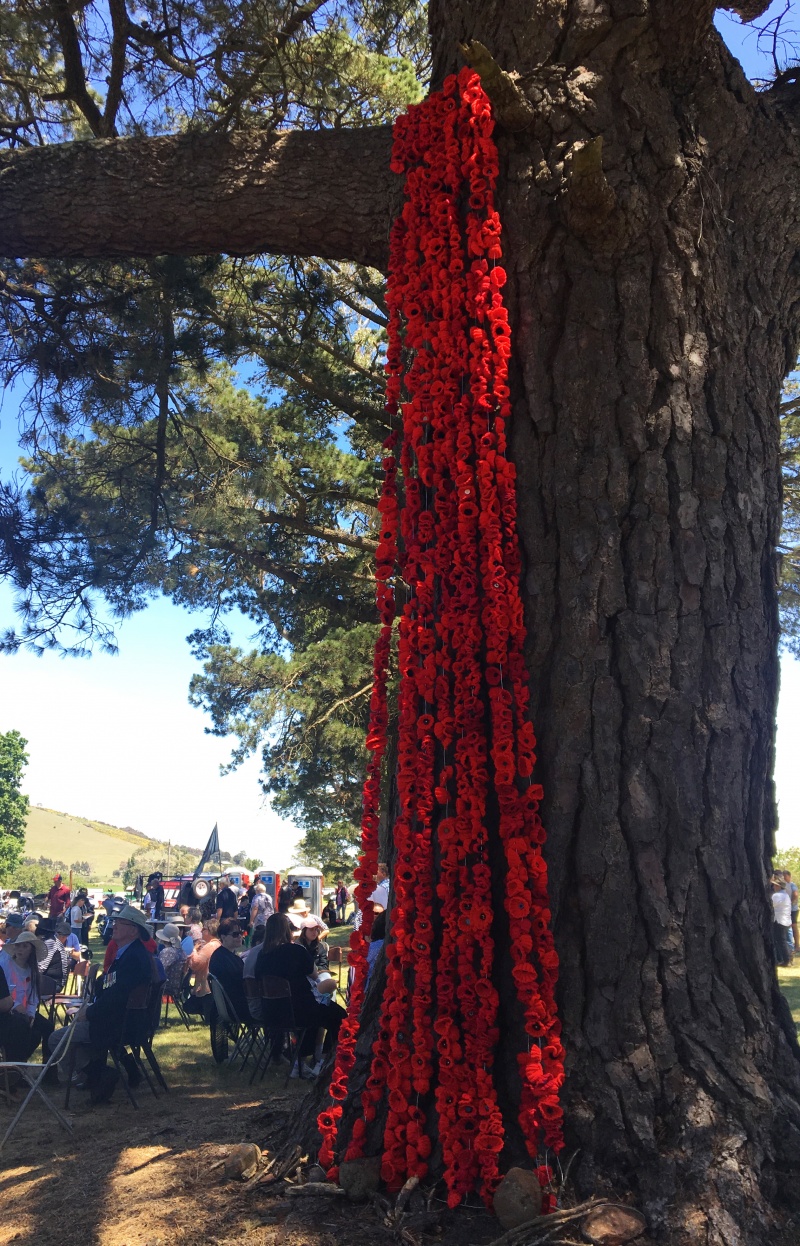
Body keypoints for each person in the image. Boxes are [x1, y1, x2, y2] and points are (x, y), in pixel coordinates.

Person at [48, 904, 156, 1098]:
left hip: (117, 1024)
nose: (113, 926)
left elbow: (117, 996)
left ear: (133, 930)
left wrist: (88, 1013)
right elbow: (110, 986)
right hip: (118, 1020)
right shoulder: (129, 953)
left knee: (56, 1039)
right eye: (114, 922)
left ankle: (98, 1074)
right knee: (73, 1033)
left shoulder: (133, 958)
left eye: (119, 923)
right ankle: (96, 1075)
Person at [253, 912, 345, 1075]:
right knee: (340, 1016)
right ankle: (323, 1061)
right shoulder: (295, 951)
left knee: (313, 1012)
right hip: (299, 1011)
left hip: (272, 1013)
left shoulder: (262, 956)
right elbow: (315, 975)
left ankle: (299, 1063)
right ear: (287, 931)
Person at [0, 931, 55, 1056]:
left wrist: (31, 1014)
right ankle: (16, 1064)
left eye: (25, 946)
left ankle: (48, 1068)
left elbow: (33, 997)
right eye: (18, 946)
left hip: (25, 1011)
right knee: (25, 1031)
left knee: (48, 1027)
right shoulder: (5, 966)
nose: (20, 950)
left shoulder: (32, 971)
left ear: (31, 950)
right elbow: (4, 993)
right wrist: (15, 1005)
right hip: (9, 1010)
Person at [209, 918, 248, 1021]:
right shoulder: (222, 959)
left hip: (227, 1008)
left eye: (241, 933)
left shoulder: (223, 956)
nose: (240, 936)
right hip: (236, 1009)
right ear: (223, 937)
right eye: (235, 934)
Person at [187, 919, 221, 1004]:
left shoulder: (210, 946)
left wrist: (194, 950)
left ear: (210, 931)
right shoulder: (217, 944)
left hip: (207, 987)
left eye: (204, 929)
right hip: (212, 986)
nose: (201, 931)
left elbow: (196, 964)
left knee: (208, 1013)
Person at [772, 877, 793, 966]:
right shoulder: (786, 895)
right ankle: (787, 957)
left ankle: (786, 959)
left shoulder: (777, 896)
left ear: (778, 886)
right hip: (786, 920)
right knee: (782, 940)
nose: (773, 886)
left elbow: (771, 904)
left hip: (779, 920)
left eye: (775, 885)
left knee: (781, 941)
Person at [784, 870, 799, 953]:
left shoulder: (792, 885)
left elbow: (796, 894)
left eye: (785, 876)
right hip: (787, 909)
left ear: (789, 876)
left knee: (794, 926)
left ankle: (797, 946)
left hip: (793, 909)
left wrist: (790, 903)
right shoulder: (785, 885)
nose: (784, 878)